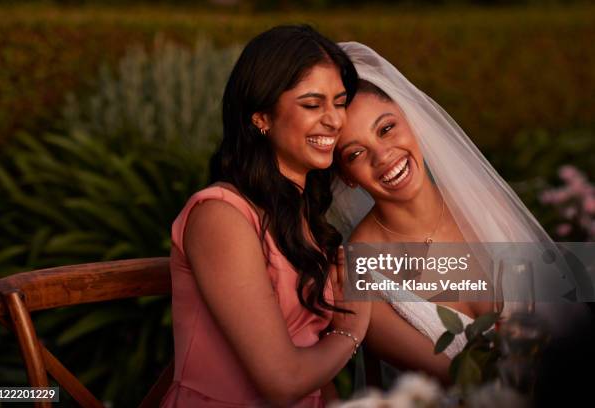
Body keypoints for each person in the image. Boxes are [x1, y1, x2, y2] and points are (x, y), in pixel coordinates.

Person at [328, 42, 581, 383]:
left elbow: (566, 317)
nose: (384, 156)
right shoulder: (360, 271)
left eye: (387, 129)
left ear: (411, 119)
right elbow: (459, 384)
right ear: (345, 175)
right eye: (356, 153)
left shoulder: (485, 202)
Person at [160, 26, 371, 407]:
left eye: (339, 102)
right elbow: (283, 382)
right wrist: (351, 332)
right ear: (261, 117)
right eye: (312, 104)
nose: (335, 120)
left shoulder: (303, 215)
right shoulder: (222, 217)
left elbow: (311, 366)